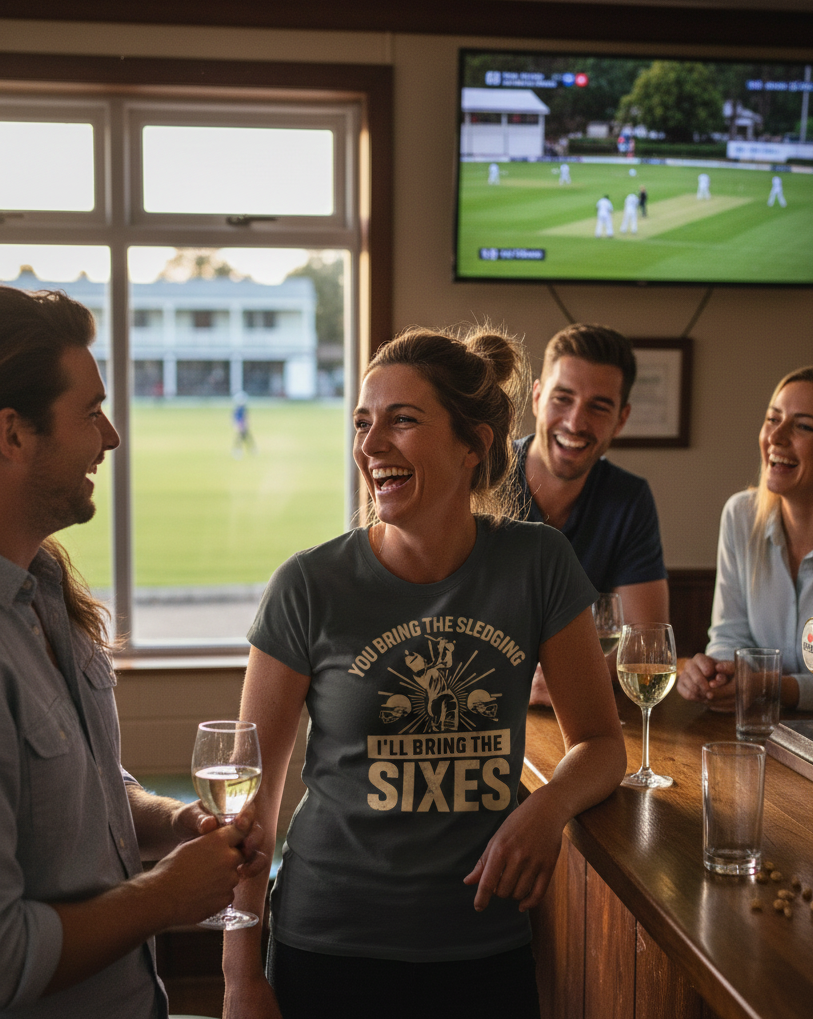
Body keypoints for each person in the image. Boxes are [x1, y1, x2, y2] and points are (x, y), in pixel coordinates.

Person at [221, 325, 626, 1019]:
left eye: (402, 420)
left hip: (484, 947)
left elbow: (600, 743)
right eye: (363, 422)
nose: (371, 445)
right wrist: (238, 976)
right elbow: (249, 796)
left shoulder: (539, 564)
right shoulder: (308, 585)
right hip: (328, 943)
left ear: (474, 445)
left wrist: (547, 807)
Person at [0, 285, 264, 1017]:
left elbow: (90, 785)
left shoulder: (48, 590)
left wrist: (176, 822)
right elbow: (6, 956)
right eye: (91, 412)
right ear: (12, 434)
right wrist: (165, 896)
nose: (111, 437)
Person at [677, 365, 813, 714]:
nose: (775, 437)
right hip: (759, 727)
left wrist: (769, 687)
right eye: (772, 419)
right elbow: (729, 636)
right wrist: (715, 674)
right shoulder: (740, 515)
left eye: (803, 426)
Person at [512, 324, 669, 708]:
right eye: (562, 398)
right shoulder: (480, 478)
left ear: (621, 419)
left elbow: (646, 648)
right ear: (536, 398)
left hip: (584, 712)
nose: (575, 422)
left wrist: (569, 676)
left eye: (598, 407)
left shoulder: (629, 499)